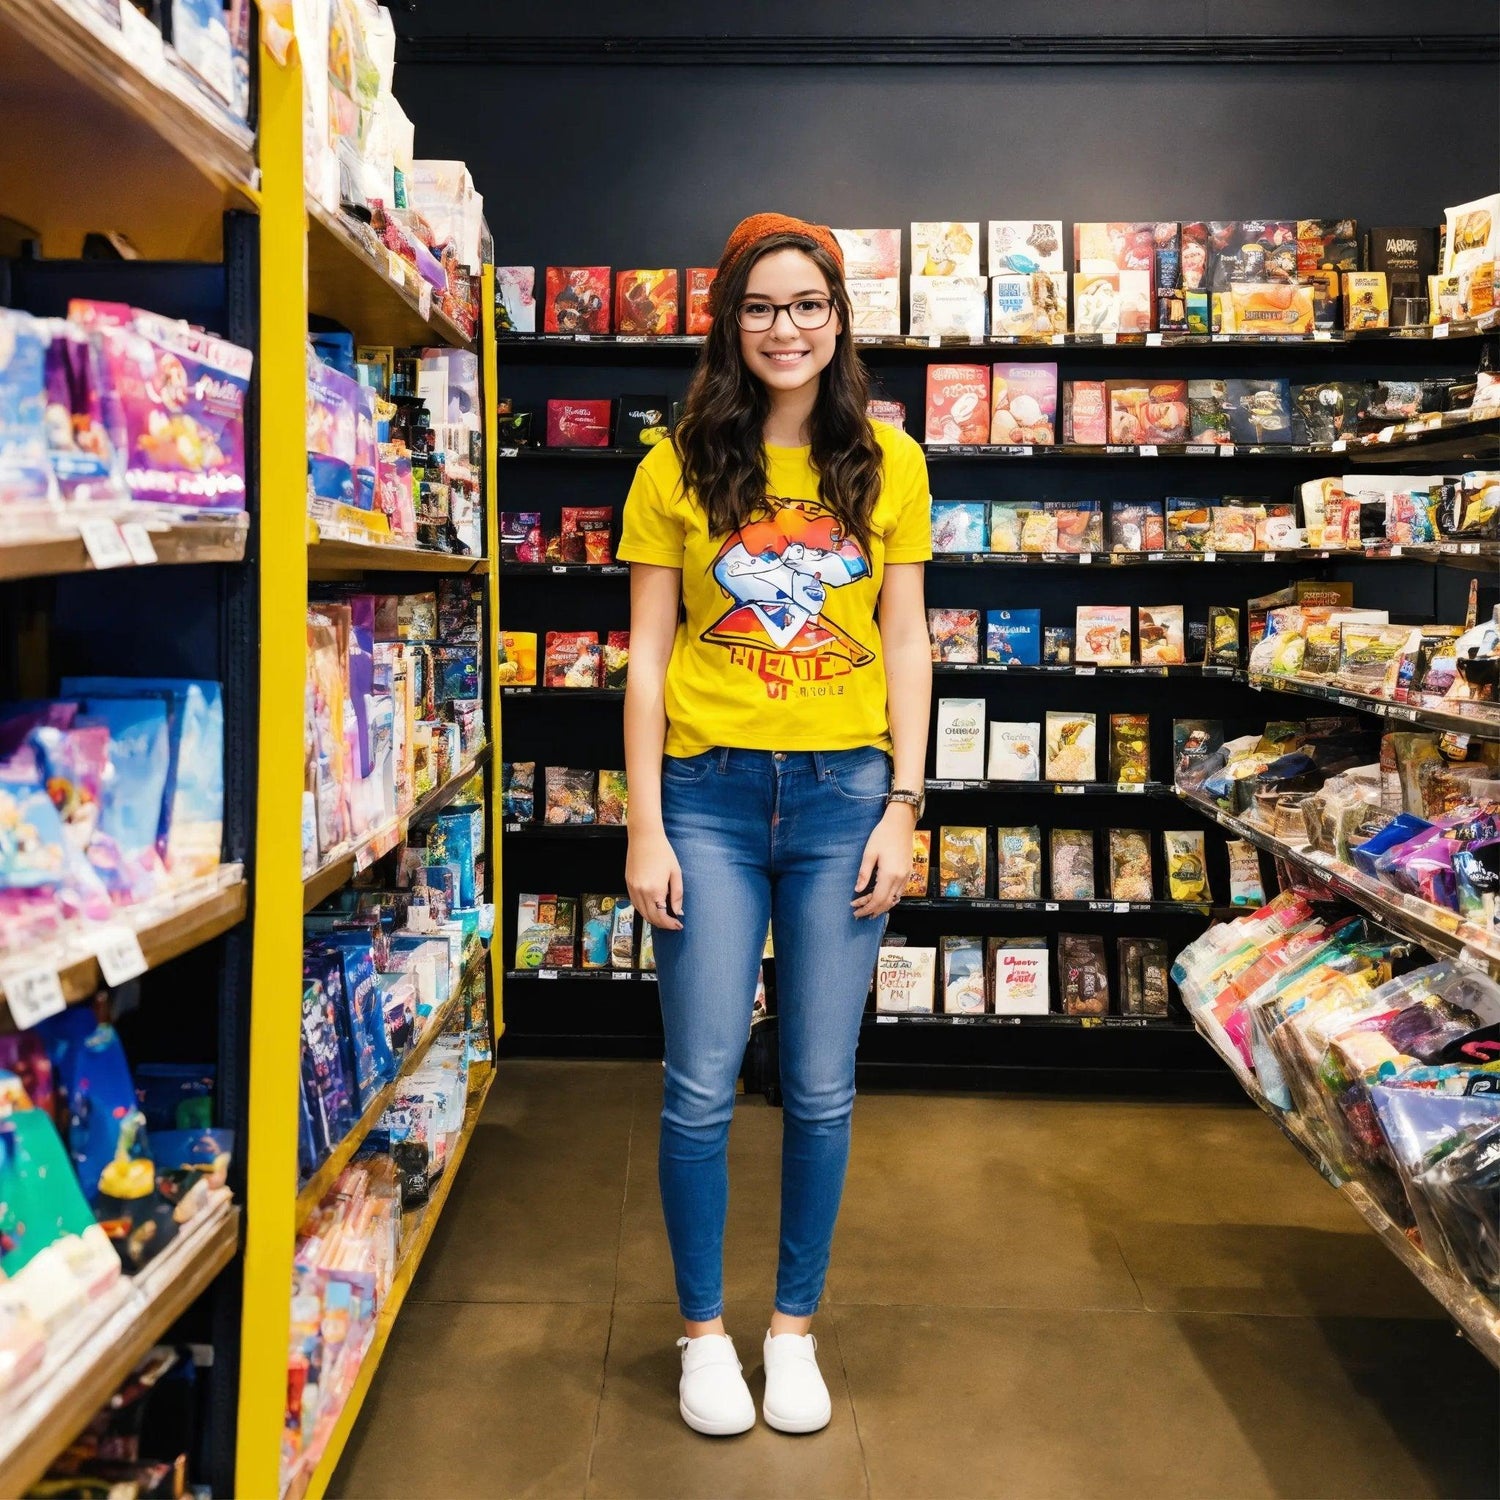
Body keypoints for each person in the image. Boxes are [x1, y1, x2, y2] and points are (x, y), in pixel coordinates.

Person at [617, 212, 932, 1437]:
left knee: (820, 1083)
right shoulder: (676, 463)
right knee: (697, 1085)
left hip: (847, 797)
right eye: (760, 307)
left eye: (807, 305)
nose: (785, 328)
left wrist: (906, 802)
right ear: (727, 323)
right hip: (704, 795)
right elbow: (647, 659)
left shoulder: (889, 465)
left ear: (839, 318)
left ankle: (791, 1331)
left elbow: (906, 640)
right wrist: (644, 822)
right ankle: (703, 1334)